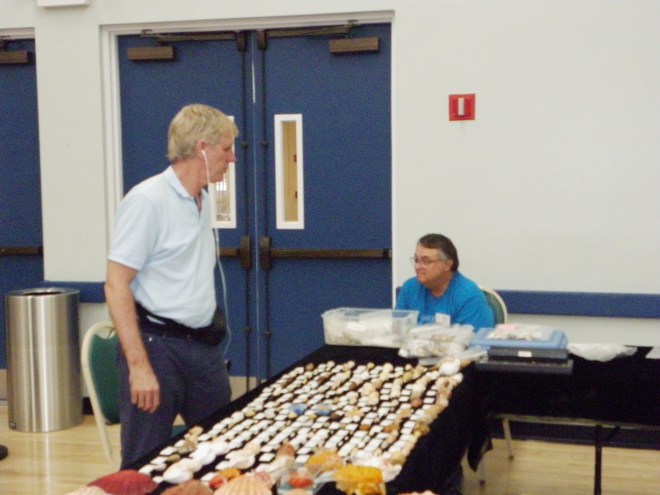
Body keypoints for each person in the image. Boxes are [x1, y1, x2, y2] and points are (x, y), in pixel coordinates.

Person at [104, 103, 238, 468]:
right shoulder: (147, 200)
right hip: (157, 348)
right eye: (226, 149)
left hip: (203, 348)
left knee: (220, 454)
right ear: (202, 148)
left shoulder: (204, 200)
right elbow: (116, 285)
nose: (232, 159)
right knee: (145, 463)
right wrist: (139, 366)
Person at [396, 233, 494, 330]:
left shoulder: (470, 297)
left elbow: (473, 339)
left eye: (426, 261)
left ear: (447, 265)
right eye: (417, 260)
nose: (418, 266)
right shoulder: (410, 288)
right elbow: (397, 330)